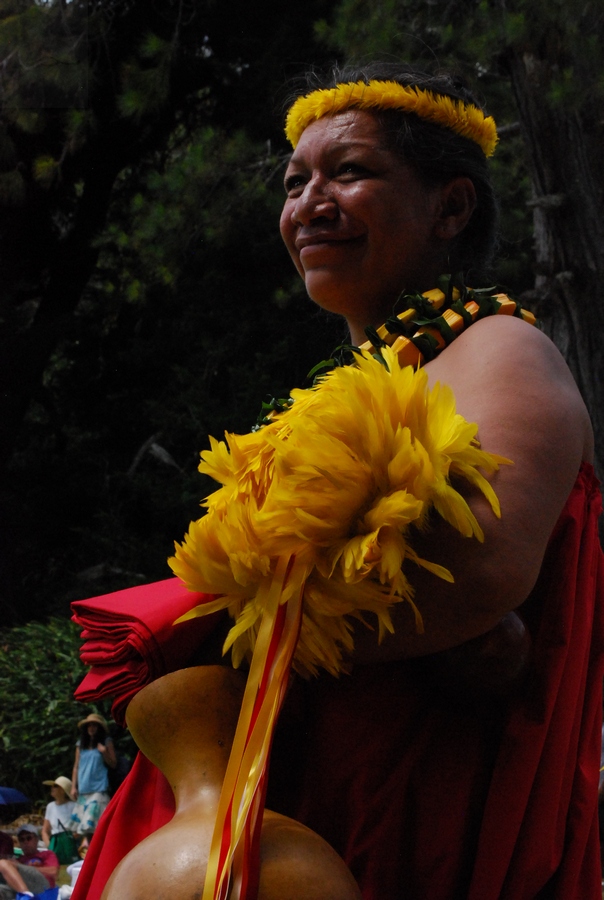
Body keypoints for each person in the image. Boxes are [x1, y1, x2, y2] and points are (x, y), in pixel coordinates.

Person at [70, 61, 604, 899]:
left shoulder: (499, 349)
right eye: (294, 182)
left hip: (408, 815)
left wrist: (208, 619)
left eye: (349, 172)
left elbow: (478, 575)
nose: (308, 203)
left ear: (451, 207)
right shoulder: (348, 383)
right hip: (302, 803)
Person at [69, 714, 116, 848]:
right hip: (84, 789)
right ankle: (91, 853)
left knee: (98, 825)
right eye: (89, 725)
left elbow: (113, 763)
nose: (91, 728)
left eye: (94, 725)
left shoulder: (106, 742)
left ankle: (103, 851)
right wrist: (74, 786)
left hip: (99, 789)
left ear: (99, 728)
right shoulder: (81, 744)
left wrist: (104, 752)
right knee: (86, 827)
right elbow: (76, 766)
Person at [0, 823, 59, 898]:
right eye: (22, 839)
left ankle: (25, 895)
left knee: (3, 863)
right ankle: (25, 894)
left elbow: (54, 873)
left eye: (29, 838)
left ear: (36, 839)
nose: (25, 842)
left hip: (41, 885)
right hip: (23, 885)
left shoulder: (47, 854)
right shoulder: (18, 859)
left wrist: (19, 866)